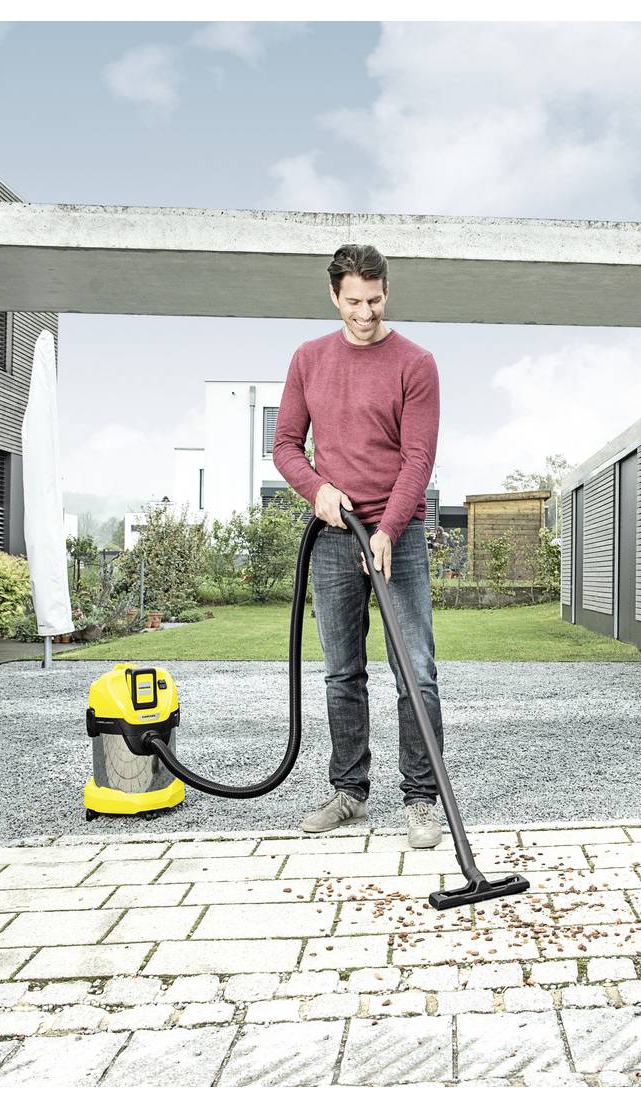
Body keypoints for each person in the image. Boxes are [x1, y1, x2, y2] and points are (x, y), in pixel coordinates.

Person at [271, 243, 445, 849]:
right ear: (334, 296)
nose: (365, 314)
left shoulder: (415, 363)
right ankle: (349, 791)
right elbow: (285, 445)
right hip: (333, 537)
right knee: (342, 671)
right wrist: (316, 489)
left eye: (374, 300)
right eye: (353, 302)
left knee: (416, 671)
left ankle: (422, 800)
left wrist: (389, 530)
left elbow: (418, 458)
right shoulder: (308, 359)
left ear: (386, 292)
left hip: (400, 536)